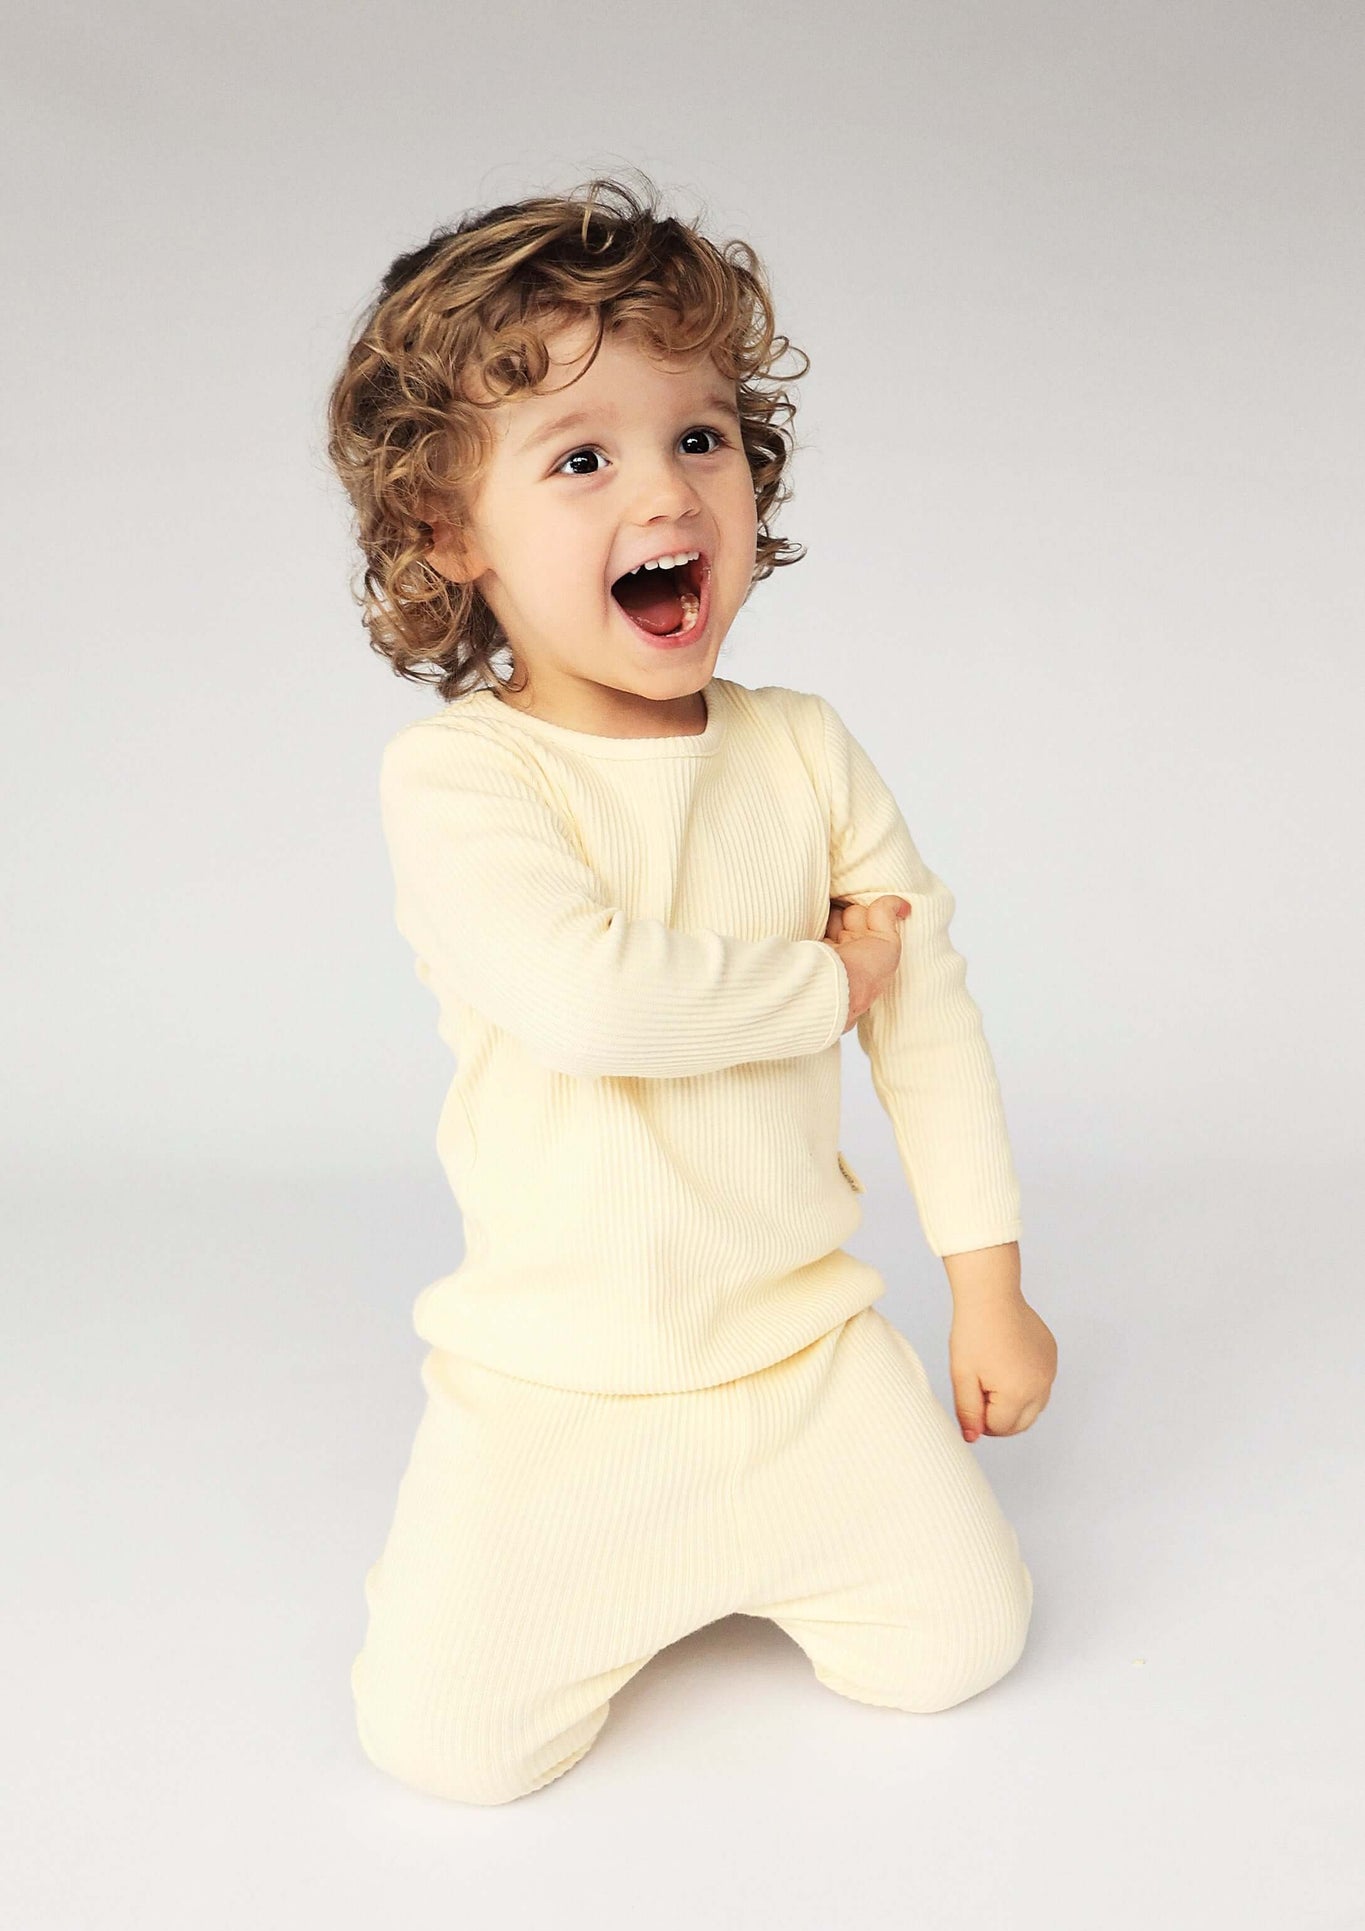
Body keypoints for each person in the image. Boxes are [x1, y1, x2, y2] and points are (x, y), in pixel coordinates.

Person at [324, 170, 1058, 1806]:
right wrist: (825, 983)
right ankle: (519, 1556)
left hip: (803, 1356)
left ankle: (778, 1521)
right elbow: (587, 1002)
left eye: (700, 437)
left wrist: (986, 1285)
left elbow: (926, 1015)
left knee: (958, 1648)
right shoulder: (466, 779)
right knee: (446, 1755)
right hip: (558, 1383)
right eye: (581, 458)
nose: (666, 489)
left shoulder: (801, 748)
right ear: (448, 532)